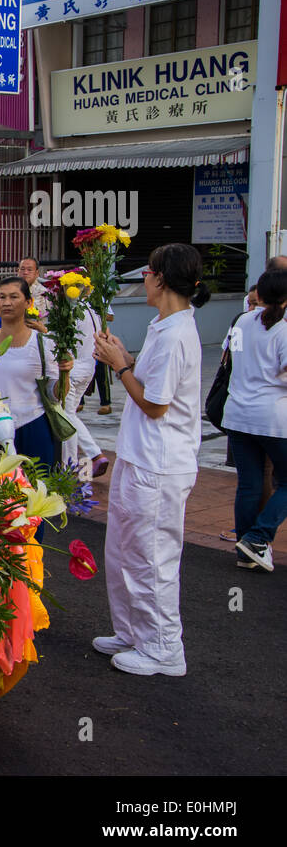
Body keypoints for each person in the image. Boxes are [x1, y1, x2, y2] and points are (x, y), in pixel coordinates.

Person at [92, 242, 209, 677]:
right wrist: (126, 358)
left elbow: (156, 404)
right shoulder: (166, 325)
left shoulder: (177, 333)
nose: (143, 278)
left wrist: (120, 367)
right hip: (139, 457)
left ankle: (163, 648)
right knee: (122, 550)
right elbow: (153, 380)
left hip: (159, 464)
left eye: (147, 273)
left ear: (160, 279)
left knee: (151, 558)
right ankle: (133, 632)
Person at [0, 277, 71, 542]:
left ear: (29, 302)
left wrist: (66, 374)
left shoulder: (44, 344)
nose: (6, 302)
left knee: (31, 501)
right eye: (1, 297)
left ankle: (31, 557)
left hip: (33, 428)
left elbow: (55, 395)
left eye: (14, 297)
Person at [220, 268, 287, 574]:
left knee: (248, 484)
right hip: (272, 418)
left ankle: (247, 550)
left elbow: (231, 360)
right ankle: (259, 538)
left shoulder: (242, 321)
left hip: (237, 414)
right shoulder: (284, 328)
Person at [62, 304, 109, 478]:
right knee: (70, 415)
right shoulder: (91, 308)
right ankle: (91, 456)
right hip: (88, 367)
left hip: (72, 369)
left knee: (66, 417)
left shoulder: (71, 309)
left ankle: (73, 463)